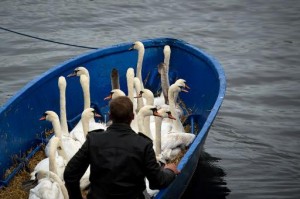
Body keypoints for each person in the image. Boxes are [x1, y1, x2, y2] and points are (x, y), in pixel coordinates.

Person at [64, 96, 180, 199]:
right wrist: (170, 171)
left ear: (110, 116)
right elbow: (157, 182)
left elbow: (70, 174)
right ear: (132, 116)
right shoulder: (143, 144)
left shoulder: (93, 140)